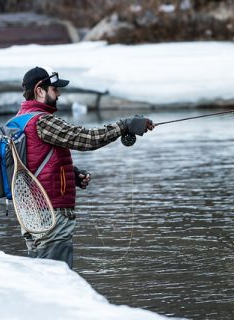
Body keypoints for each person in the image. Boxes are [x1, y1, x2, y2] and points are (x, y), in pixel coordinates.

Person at [17, 66, 154, 269]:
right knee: (57, 279)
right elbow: (86, 139)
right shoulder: (42, 121)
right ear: (40, 90)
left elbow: (31, 164)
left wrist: (70, 174)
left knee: (41, 276)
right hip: (52, 215)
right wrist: (124, 125)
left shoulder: (19, 120)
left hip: (30, 214)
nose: (59, 93)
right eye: (54, 89)